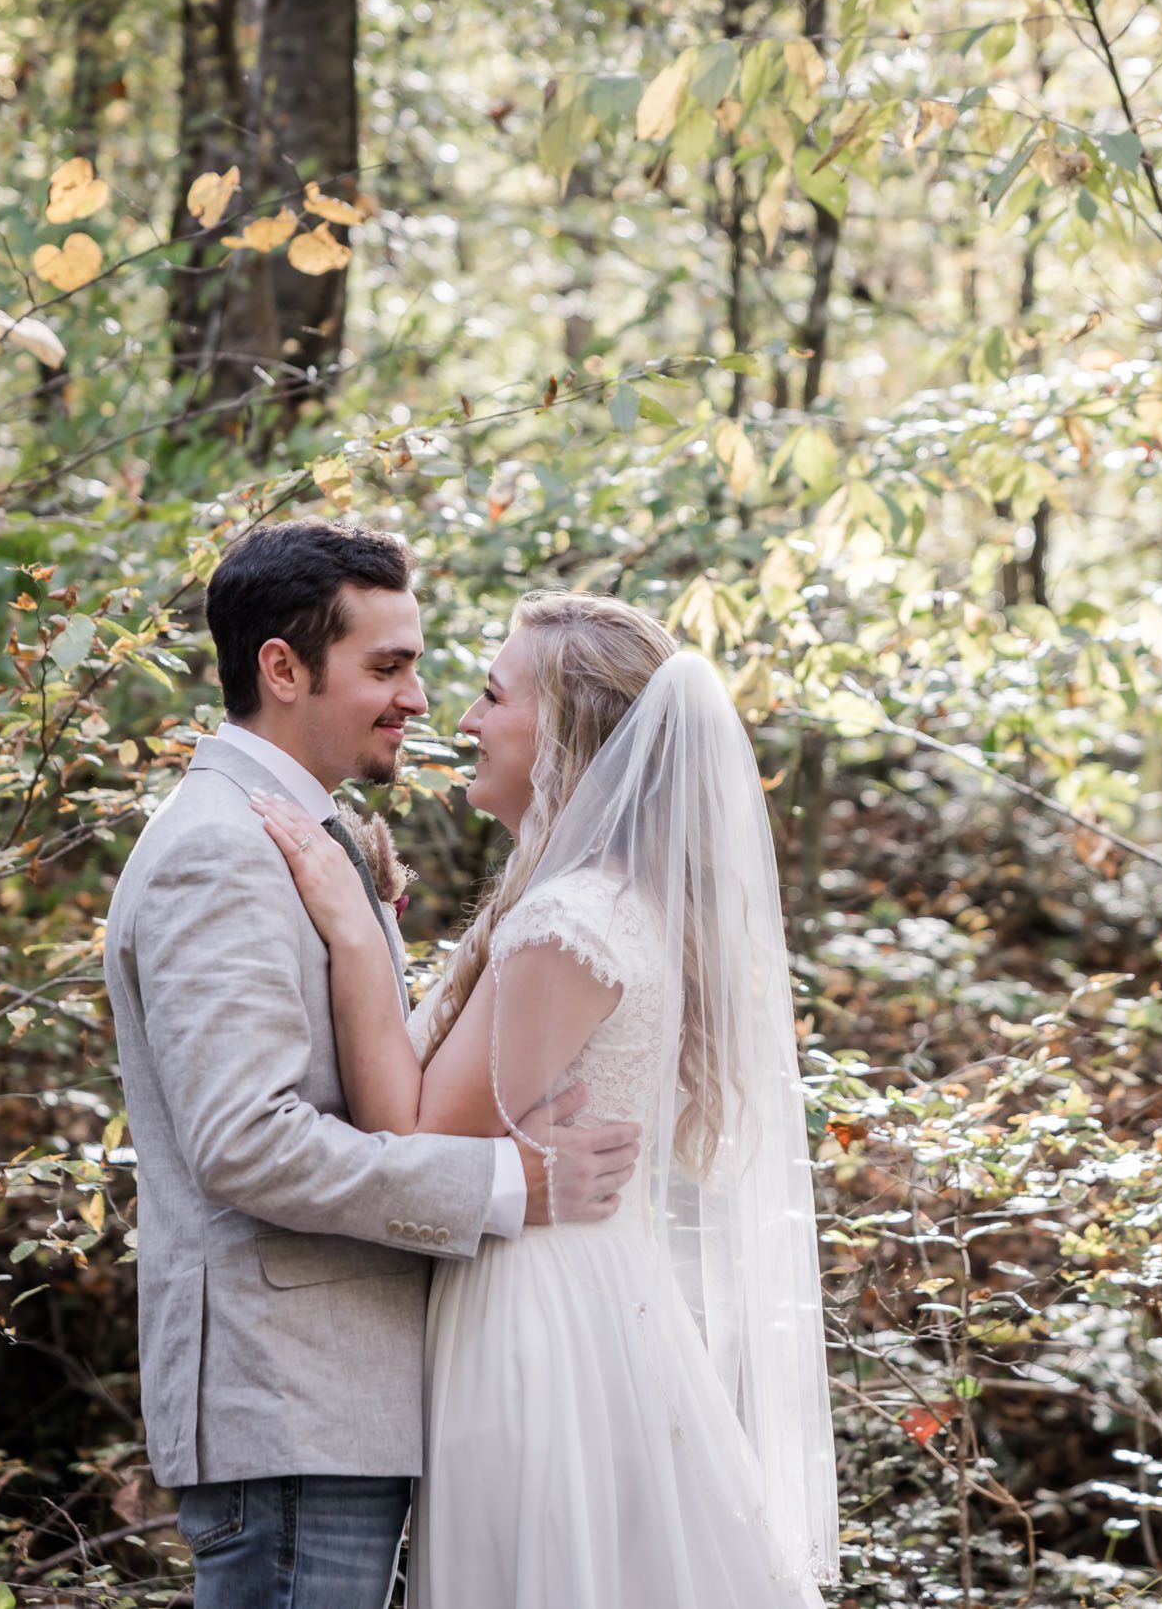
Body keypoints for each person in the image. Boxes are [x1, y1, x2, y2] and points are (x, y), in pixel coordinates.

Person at [250, 590, 839, 1606]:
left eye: (491, 694)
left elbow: (415, 1129)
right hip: (570, 1287)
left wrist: (351, 930)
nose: (464, 720)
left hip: (538, 1319)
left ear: (568, 728)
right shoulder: (593, 899)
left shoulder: (572, 921)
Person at [104, 522, 641, 1609]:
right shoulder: (220, 847)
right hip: (293, 1401)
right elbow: (246, 1143)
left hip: (341, 1402)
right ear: (283, 667)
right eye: (386, 667)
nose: (419, 698)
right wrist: (508, 1185)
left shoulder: (307, 832)